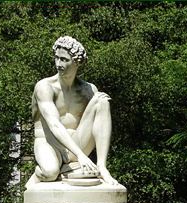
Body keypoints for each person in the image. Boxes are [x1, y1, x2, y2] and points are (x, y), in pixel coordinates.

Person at [26, 36, 119, 188]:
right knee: (50, 172)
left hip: (76, 144)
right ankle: (38, 175)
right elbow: (54, 125)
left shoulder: (88, 90)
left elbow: (96, 125)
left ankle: (102, 167)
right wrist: (81, 156)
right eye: (56, 58)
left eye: (64, 59)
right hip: (49, 144)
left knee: (101, 100)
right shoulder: (45, 87)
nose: (58, 64)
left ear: (77, 62)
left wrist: (82, 155)